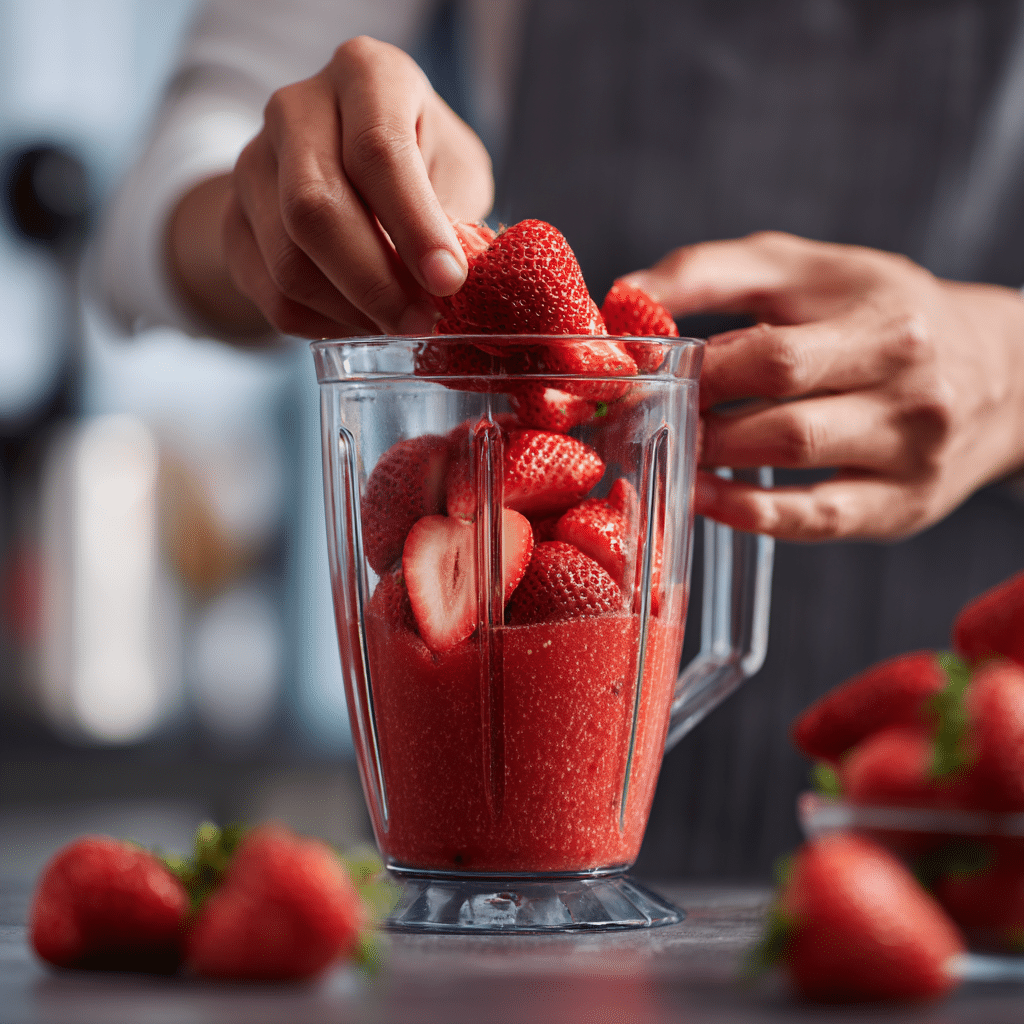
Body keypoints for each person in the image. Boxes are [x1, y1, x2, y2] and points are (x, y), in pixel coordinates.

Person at [99, 0, 1024, 878]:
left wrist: (1011, 369)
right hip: (481, 837)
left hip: (970, 794)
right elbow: (162, 193)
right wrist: (283, 203)